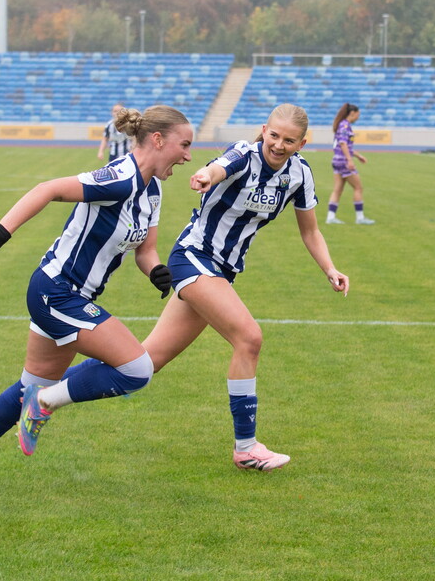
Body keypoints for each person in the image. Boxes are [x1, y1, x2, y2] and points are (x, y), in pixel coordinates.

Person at [0, 105, 193, 486]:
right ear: (158, 140)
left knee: (32, 384)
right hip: (57, 292)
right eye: (184, 145)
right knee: (138, 369)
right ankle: (44, 404)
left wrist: (156, 272)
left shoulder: (153, 190)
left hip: (67, 296)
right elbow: (48, 190)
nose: (188, 156)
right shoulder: (119, 179)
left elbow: (145, 250)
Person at [124, 103, 348, 472]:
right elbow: (219, 166)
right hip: (194, 257)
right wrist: (205, 174)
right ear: (264, 129)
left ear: (302, 143)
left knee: (142, 365)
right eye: (273, 135)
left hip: (222, 272)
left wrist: (330, 268)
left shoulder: (299, 175)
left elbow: (310, 230)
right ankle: (246, 448)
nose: (278, 145)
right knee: (249, 338)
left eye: (289, 140)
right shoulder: (244, 154)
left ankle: (43, 397)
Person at [325, 103, 374, 225]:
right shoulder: (345, 125)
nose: (358, 117)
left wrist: (358, 156)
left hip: (337, 160)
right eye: (358, 115)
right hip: (343, 162)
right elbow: (343, 143)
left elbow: (346, 145)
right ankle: (360, 218)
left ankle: (330, 217)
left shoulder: (342, 125)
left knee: (337, 190)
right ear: (352, 113)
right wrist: (350, 160)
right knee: (358, 188)